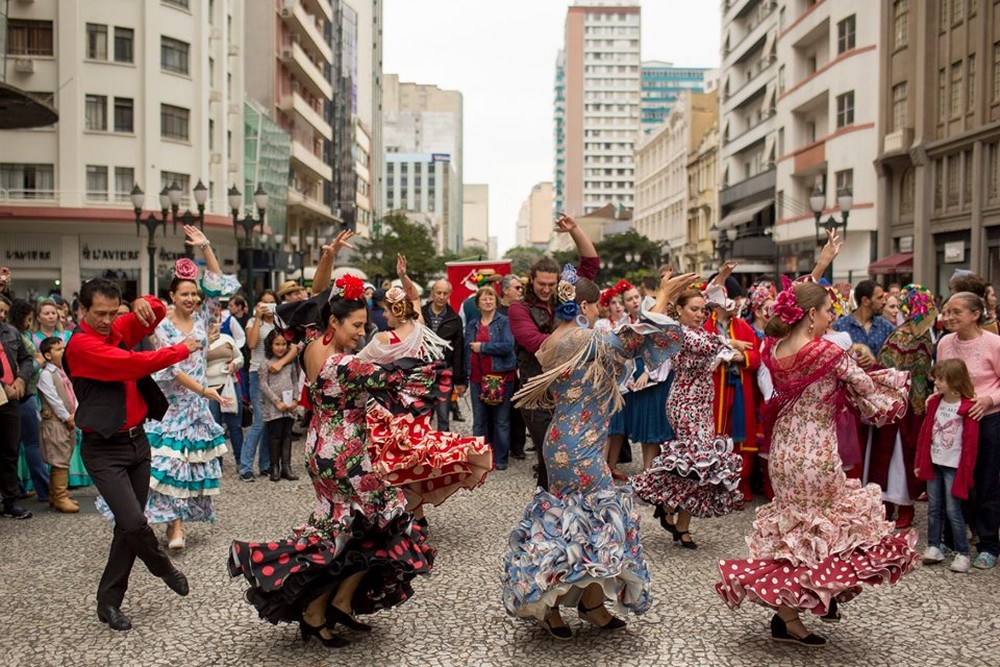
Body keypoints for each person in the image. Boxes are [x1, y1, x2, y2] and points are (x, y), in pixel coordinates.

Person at [228, 277, 436, 647]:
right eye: (356, 325)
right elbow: (413, 378)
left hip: (319, 449)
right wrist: (412, 330)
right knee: (378, 526)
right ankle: (315, 612)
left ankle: (337, 605)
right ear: (334, 324)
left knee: (349, 530)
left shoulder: (310, 345)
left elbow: (310, 304)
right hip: (348, 456)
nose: (362, 332)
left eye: (364, 324)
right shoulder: (344, 365)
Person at [715, 279, 918, 646]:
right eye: (827, 311)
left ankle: (799, 609)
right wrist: (892, 381)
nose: (830, 318)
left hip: (782, 452)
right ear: (810, 315)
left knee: (794, 531)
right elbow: (866, 388)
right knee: (821, 531)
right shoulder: (826, 352)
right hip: (816, 453)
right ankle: (800, 609)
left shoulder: (775, 348)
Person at [502, 268, 690, 638]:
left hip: (564, 438)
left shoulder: (552, 341)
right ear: (583, 305)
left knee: (578, 521)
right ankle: (555, 604)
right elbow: (636, 342)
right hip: (580, 447)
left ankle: (588, 603)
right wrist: (664, 297)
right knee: (590, 521)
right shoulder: (584, 339)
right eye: (597, 304)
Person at [64, 277, 198, 631]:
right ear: (82, 310)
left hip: (138, 443)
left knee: (127, 528)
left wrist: (146, 301)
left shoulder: (114, 328)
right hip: (103, 449)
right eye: (99, 314)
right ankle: (161, 566)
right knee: (136, 523)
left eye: (112, 313)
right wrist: (182, 349)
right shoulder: (81, 346)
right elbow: (133, 365)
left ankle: (108, 603)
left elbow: (150, 316)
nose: (107, 320)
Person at [361, 260, 492, 520]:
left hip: (392, 410)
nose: (383, 316)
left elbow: (359, 364)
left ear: (395, 311)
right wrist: (403, 275)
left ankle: (399, 515)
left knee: (391, 462)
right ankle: (415, 516)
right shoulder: (419, 327)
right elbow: (416, 297)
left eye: (386, 311)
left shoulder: (384, 339)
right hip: (419, 407)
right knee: (416, 459)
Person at [132, 229, 238, 549]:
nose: (191, 299)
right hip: (171, 403)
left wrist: (206, 248)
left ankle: (175, 526)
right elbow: (172, 369)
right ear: (172, 296)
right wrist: (204, 391)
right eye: (184, 294)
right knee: (168, 464)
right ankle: (170, 525)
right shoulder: (161, 326)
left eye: (194, 293)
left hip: (197, 407)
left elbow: (219, 284)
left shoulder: (205, 316)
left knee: (190, 466)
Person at [631, 275, 744, 548]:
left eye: (703, 310)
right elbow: (709, 347)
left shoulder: (705, 333)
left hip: (704, 404)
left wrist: (730, 346)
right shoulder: (679, 333)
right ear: (679, 310)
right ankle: (662, 498)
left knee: (700, 467)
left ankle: (679, 520)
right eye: (693, 309)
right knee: (695, 459)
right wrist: (731, 345)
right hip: (683, 404)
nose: (699, 314)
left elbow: (720, 348)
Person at [509, 214, 599, 489]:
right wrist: (574, 336)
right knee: (549, 455)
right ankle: (546, 510)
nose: (547, 289)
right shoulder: (518, 309)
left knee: (568, 457)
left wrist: (574, 230)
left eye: (551, 284)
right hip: (536, 395)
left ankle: (560, 509)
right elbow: (537, 344)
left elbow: (591, 264)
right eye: (541, 285)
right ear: (531, 281)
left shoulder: (566, 296)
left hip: (567, 391)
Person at [937, 291, 1000, 569]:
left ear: (975, 315)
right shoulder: (944, 343)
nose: (948, 317)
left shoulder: (994, 344)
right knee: (954, 479)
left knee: (986, 481)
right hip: (954, 420)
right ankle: (954, 539)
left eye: (956, 312)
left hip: (987, 419)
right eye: (947, 311)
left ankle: (988, 544)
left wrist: (989, 399)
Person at [870, 285, 937, 530]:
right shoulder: (911, 335)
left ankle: (899, 506)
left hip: (905, 405)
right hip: (905, 404)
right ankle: (892, 506)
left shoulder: (914, 335)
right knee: (896, 456)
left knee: (899, 457)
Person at [915, 359, 980, 573]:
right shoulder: (935, 402)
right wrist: (920, 462)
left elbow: (971, 444)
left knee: (953, 510)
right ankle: (934, 546)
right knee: (934, 508)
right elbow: (926, 433)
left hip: (954, 466)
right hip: (934, 462)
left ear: (955, 380)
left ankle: (962, 552)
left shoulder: (967, 407)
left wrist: (967, 472)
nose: (937, 383)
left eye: (942, 379)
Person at [704, 273, 760, 503]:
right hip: (715, 388)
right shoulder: (705, 327)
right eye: (731, 300)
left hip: (739, 388)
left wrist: (741, 357)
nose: (736, 304)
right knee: (715, 433)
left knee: (741, 435)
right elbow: (704, 353)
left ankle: (739, 485)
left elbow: (756, 357)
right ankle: (713, 488)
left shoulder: (744, 327)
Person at [465, 286, 516, 470]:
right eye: (484, 299)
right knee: (479, 420)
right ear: (477, 303)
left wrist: (483, 347)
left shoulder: (504, 322)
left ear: (496, 301)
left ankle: (501, 459)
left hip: (500, 377)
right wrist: (464, 376)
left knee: (501, 420)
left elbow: (508, 345)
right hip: (477, 378)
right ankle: (481, 459)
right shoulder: (472, 324)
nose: (488, 301)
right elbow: (466, 351)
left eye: (491, 298)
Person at [9, 298, 49, 503]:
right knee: (33, 444)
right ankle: (44, 489)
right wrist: (39, 362)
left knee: (13, 446)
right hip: (25, 395)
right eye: (30, 318)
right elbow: (28, 363)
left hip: (19, 395)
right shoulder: (18, 337)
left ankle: (15, 488)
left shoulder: (13, 335)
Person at [241, 290, 283, 481]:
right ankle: (245, 467)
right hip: (257, 372)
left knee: (270, 420)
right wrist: (258, 317)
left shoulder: (281, 323)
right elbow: (250, 344)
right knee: (259, 421)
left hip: (276, 374)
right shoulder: (252, 321)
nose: (267, 306)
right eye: (263, 303)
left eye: (271, 303)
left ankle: (265, 464)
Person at [36, 336, 79, 513]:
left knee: (64, 455)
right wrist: (67, 417)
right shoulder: (46, 375)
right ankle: (60, 497)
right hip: (55, 422)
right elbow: (53, 399)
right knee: (58, 457)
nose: (63, 352)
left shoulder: (63, 372)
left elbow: (71, 394)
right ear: (47, 355)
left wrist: (75, 411)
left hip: (67, 420)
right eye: (58, 349)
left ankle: (57, 494)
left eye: (63, 348)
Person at [0, 297, 34, 520]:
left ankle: (11, 501)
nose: (2, 315)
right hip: (4, 392)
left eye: (5, 311)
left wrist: (21, 379)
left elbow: (27, 358)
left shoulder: (11, 332)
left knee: (10, 450)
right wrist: (4, 386)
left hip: (12, 400)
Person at [421, 279, 466, 430]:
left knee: (443, 416)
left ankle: (443, 449)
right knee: (422, 416)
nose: (441, 296)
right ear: (432, 293)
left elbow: (459, 350)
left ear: (449, 295)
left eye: (445, 293)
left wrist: (460, 380)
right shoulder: (420, 314)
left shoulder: (455, 319)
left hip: (445, 372)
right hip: (421, 371)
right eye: (438, 292)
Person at [258, 330, 300, 482]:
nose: (281, 347)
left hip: (289, 406)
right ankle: (274, 467)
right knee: (275, 436)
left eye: (284, 344)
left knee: (287, 435)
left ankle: (286, 467)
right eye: (277, 344)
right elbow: (263, 385)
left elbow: (295, 381)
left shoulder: (290, 363)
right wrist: (277, 402)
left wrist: (296, 399)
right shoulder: (265, 363)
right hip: (274, 407)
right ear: (270, 345)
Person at [496, 274, 526, 461]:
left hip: (520, 365)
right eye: (517, 288)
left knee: (519, 410)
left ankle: (518, 446)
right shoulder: (498, 312)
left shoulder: (522, 310)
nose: (520, 291)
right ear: (506, 290)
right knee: (501, 410)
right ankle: (501, 447)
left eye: (521, 288)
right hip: (501, 366)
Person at [205, 320, 244, 466]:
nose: (212, 326)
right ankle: (217, 462)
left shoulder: (227, 338)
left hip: (230, 384)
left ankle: (240, 460)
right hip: (210, 388)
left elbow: (240, 357)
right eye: (209, 323)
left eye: (215, 323)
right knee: (214, 426)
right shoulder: (198, 341)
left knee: (235, 424)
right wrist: (206, 343)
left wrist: (235, 364)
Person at [832, 279, 893, 365]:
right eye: (879, 298)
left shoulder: (886, 327)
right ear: (865, 300)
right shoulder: (840, 326)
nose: (884, 302)